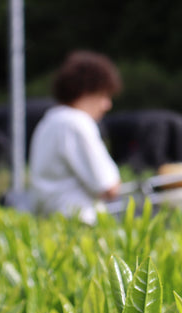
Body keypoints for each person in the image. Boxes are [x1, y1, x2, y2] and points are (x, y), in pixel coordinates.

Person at [28, 50, 123, 224]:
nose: (107, 105)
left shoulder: (49, 120)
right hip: (79, 221)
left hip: (49, 220)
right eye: (103, 95)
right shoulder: (77, 123)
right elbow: (108, 186)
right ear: (86, 91)